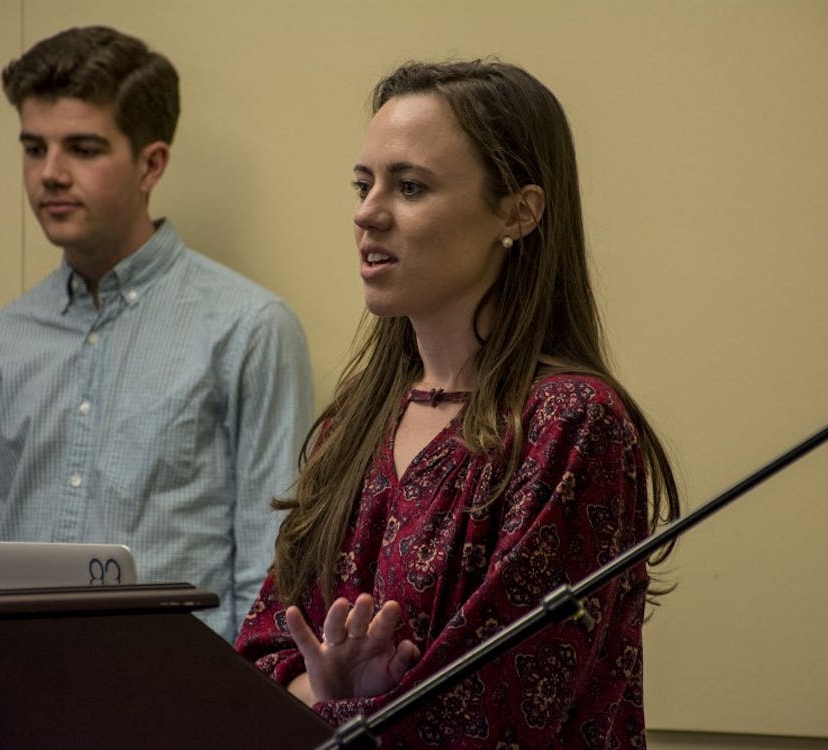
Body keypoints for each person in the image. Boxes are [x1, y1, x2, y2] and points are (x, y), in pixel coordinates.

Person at [236, 60, 680, 746]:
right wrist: (333, 691)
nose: (366, 212)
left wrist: (340, 705)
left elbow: (493, 715)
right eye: (364, 184)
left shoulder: (571, 424)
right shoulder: (351, 423)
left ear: (518, 211)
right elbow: (257, 659)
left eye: (409, 186)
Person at [0, 26, 313, 643]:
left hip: (178, 712)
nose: (50, 174)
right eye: (34, 148)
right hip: (14, 705)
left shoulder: (249, 330)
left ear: (151, 163)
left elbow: (269, 584)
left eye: (83, 149)